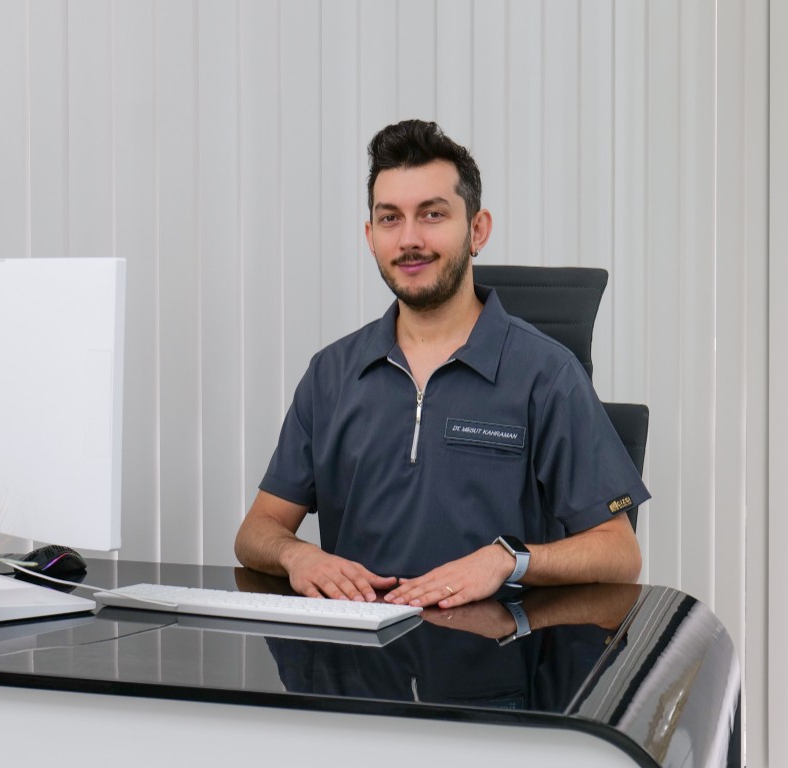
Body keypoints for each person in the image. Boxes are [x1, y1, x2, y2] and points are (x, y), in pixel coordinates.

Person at [234, 119, 649, 610]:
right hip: (358, 669)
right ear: (370, 236)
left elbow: (620, 553)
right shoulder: (331, 374)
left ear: (477, 229)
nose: (409, 239)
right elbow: (256, 532)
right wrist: (297, 556)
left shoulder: (547, 374)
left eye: (432, 214)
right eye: (390, 218)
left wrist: (506, 559)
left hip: (496, 663)